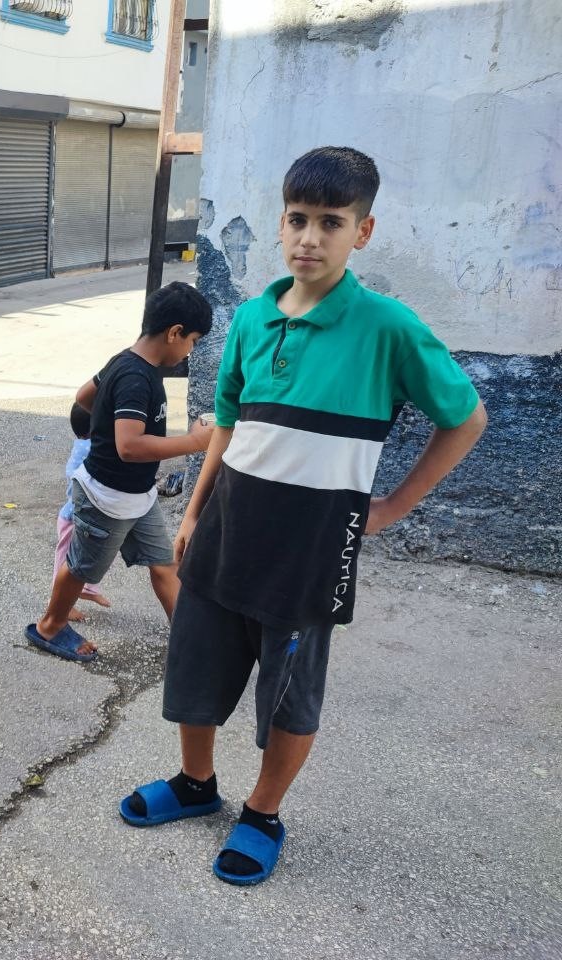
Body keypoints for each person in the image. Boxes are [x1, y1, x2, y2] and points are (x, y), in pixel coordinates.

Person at [118, 147, 486, 887]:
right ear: (281, 224)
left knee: (289, 691)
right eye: (297, 219)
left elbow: (465, 419)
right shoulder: (252, 320)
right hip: (227, 528)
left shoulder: (387, 328)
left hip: (313, 547)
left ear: (362, 231)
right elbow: (227, 424)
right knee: (196, 663)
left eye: (330, 222)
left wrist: (393, 506)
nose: (309, 238)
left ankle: (262, 813)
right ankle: (196, 784)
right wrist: (193, 512)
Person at [25, 281, 215, 663]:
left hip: (139, 495)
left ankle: (190, 641)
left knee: (165, 563)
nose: (190, 350)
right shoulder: (135, 377)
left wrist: (104, 420)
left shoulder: (124, 361)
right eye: (192, 341)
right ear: (174, 332)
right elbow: (129, 447)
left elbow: (84, 396)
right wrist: (194, 442)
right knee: (80, 568)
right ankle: (50, 626)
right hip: (106, 497)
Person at [54, 403, 112, 623]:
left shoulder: (84, 443)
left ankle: (87, 589)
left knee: (89, 556)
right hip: (73, 517)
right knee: (65, 561)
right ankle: (60, 605)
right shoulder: (89, 447)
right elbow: (75, 476)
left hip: (82, 515)